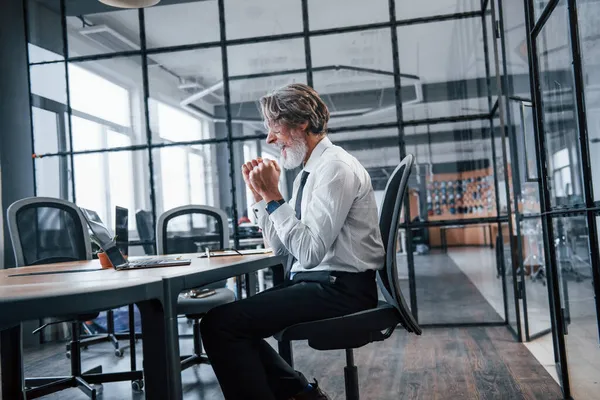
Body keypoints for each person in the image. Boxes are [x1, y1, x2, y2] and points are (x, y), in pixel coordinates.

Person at [200, 83, 385, 400]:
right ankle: (303, 395)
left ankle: (300, 394)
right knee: (229, 322)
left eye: (274, 128)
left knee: (221, 325)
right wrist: (261, 198)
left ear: (301, 123)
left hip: (342, 289)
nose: (269, 139)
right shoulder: (309, 172)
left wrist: (274, 197)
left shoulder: (334, 168)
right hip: (320, 281)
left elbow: (310, 253)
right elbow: (283, 251)